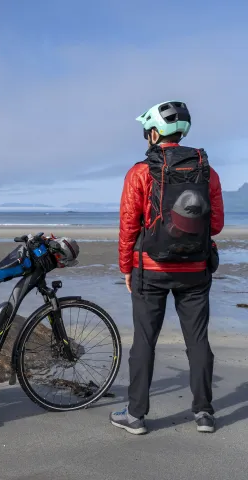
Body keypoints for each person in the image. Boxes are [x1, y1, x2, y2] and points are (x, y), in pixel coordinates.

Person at [110, 100, 224, 435]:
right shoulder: (207, 170)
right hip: (196, 269)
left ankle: (136, 416)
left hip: (150, 269)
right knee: (198, 340)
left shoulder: (140, 172)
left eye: (148, 131)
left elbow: (129, 225)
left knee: (144, 341)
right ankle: (203, 413)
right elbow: (214, 224)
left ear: (155, 132)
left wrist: (125, 268)